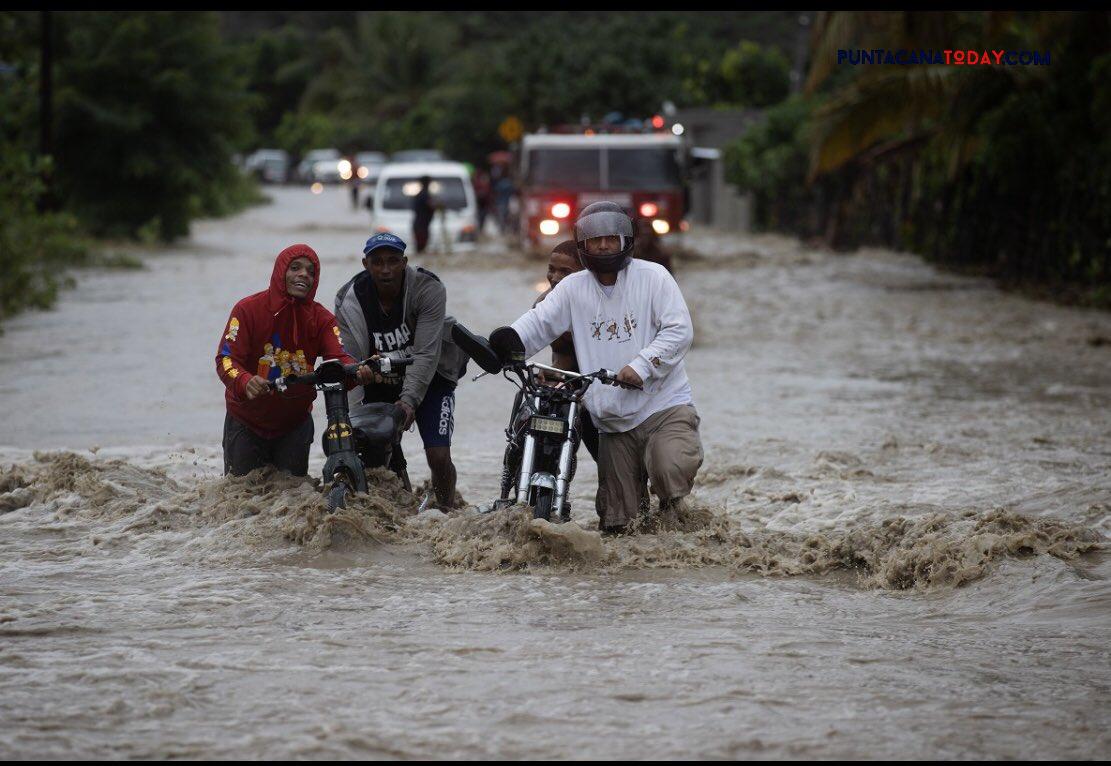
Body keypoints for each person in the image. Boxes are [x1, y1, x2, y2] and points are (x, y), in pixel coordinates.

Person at [490, 202, 703, 534]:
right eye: (594, 239)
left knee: (667, 470)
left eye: (610, 238)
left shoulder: (654, 277)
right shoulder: (572, 289)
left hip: (663, 405)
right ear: (582, 245)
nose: (603, 245)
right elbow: (538, 324)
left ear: (625, 241)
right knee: (620, 528)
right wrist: (503, 345)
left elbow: (679, 331)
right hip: (612, 423)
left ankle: (677, 524)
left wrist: (642, 365)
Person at [335, 232, 468, 508]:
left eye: (393, 262)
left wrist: (408, 402)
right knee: (370, 451)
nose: (386, 270)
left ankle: (446, 513)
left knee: (438, 455)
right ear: (365, 264)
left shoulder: (428, 289)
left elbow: (426, 354)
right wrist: (349, 419)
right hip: (379, 380)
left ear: (405, 262)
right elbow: (350, 362)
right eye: (378, 262)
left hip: (432, 376)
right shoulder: (348, 300)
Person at [216, 244, 355, 477]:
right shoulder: (247, 310)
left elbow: (339, 359)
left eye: (311, 271)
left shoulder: (323, 320)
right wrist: (244, 380)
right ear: (280, 272)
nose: (304, 275)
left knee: (291, 499)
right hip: (245, 421)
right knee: (240, 499)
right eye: (295, 268)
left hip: (295, 425)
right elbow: (226, 359)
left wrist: (357, 372)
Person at [533, 239, 599, 461]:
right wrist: (551, 372)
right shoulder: (544, 304)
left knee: (606, 458)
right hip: (569, 386)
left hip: (601, 385)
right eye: (551, 269)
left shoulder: (601, 305)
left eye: (565, 271)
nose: (555, 277)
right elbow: (562, 355)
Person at [412, 175, 435, 253]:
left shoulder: (421, 194)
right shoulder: (424, 194)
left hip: (421, 225)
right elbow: (431, 205)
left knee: (420, 248)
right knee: (421, 248)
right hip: (421, 226)